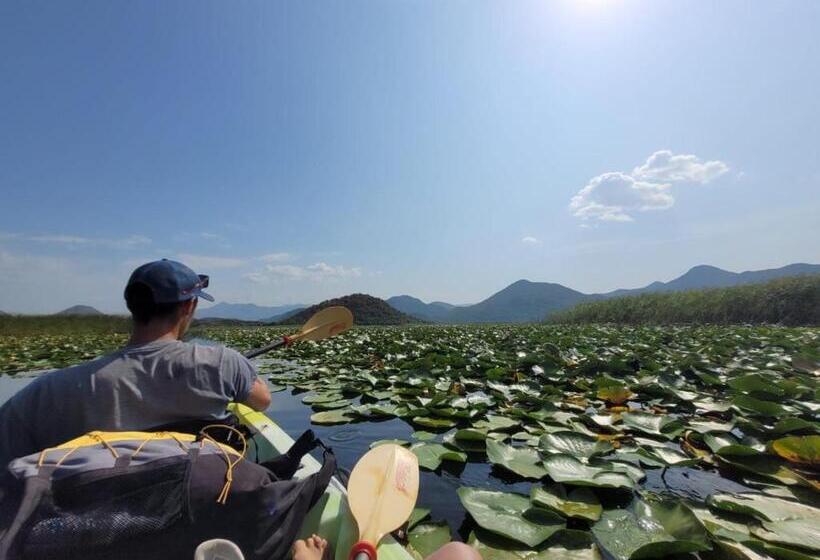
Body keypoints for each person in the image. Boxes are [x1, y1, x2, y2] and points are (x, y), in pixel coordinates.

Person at [0, 259, 271, 467]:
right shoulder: (223, 363)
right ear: (188, 307)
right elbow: (262, 401)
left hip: (106, 527)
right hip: (204, 511)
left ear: (132, 308)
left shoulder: (49, 390)